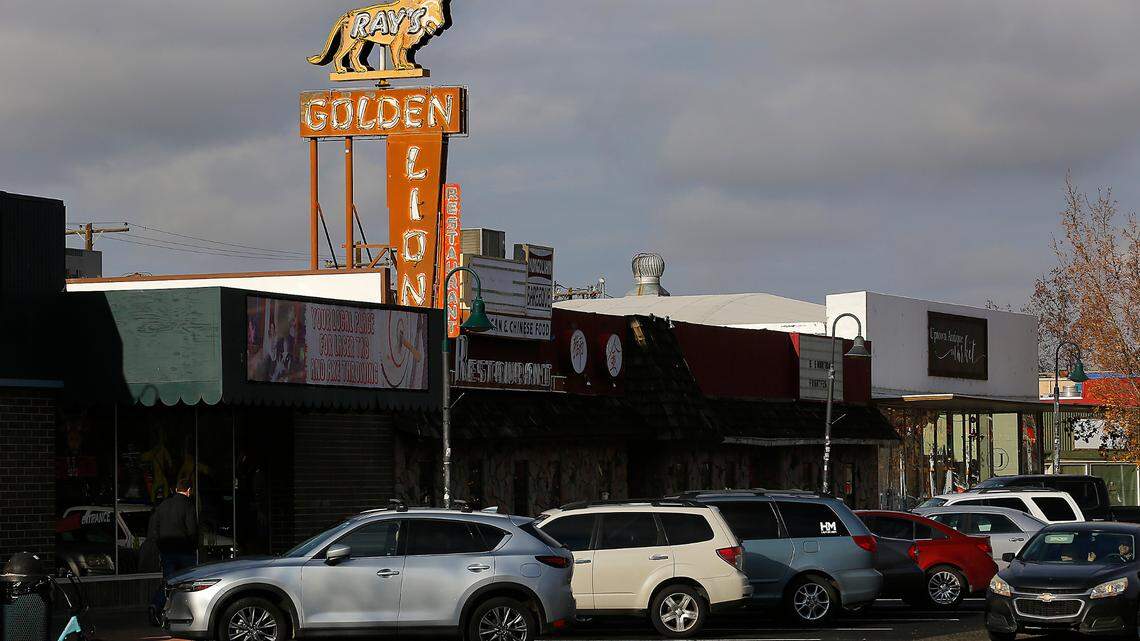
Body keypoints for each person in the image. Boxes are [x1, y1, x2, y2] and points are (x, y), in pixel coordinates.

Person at [148, 479, 198, 624]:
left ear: (176, 490)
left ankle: (156, 605)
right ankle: (185, 613)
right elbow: (192, 531)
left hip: (167, 551)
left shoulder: (163, 505)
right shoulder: (188, 505)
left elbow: (154, 527)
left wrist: (161, 545)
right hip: (184, 552)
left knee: (169, 582)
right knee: (187, 583)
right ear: (188, 490)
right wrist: (193, 547)